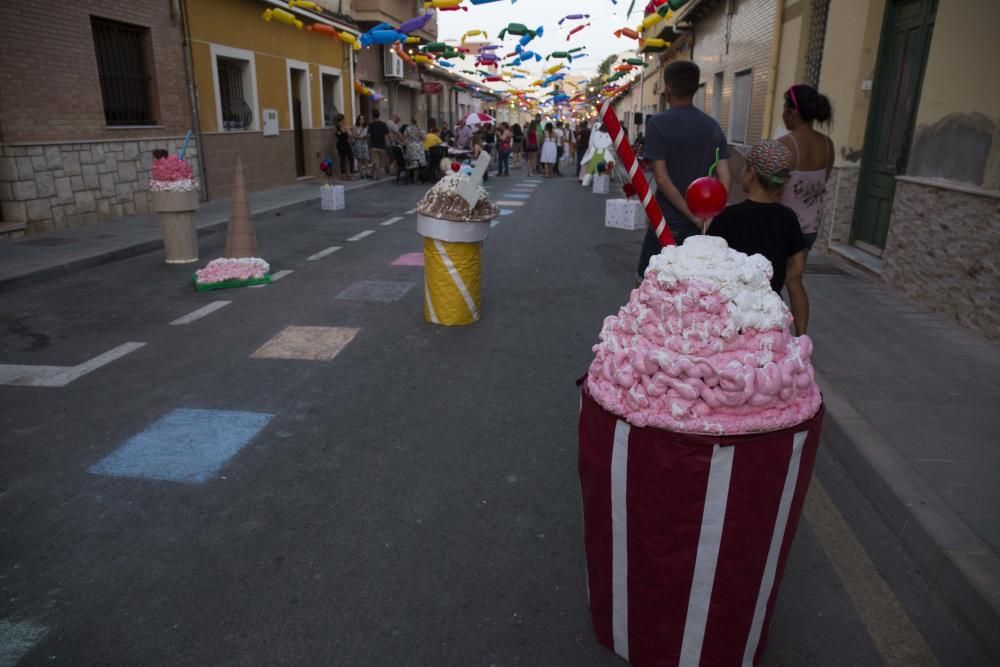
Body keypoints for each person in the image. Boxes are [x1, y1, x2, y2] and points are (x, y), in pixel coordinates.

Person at [638, 60, 732, 279]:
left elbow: (661, 178)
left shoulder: (657, 124)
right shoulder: (712, 126)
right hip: (703, 226)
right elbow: (726, 177)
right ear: (696, 87)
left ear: (668, 87)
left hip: (667, 223)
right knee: (691, 288)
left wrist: (692, 216)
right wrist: (708, 215)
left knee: (646, 283)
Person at [707, 140, 809, 335]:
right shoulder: (787, 217)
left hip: (734, 316)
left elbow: (710, 267)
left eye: (745, 166)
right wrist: (772, 285)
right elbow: (798, 266)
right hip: (771, 312)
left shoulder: (728, 217)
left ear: (751, 172)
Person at [778, 84, 834, 253]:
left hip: (784, 226)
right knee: (796, 274)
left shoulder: (785, 144)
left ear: (792, 112)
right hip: (811, 227)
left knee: (776, 275)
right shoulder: (827, 144)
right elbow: (824, 179)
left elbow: (773, 187)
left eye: (784, 108)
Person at [403, 118, 426, 182]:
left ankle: (410, 177)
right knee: (418, 163)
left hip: (410, 146)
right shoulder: (420, 128)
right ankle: (415, 178)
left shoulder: (408, 128)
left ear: (411, 122)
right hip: (418, 147)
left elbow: (404, 136)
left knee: (411, 162)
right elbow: (424, 138)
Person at [368, 109, 390, 178]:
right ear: (379, 115)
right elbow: (386, 136)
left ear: (372, 116)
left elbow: (369, 136)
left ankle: (378, 176)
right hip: (382, 146)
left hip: (374, 146)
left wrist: (369, 145)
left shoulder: (371, 125)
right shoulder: (383, 124)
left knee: (376, 162)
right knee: (378, 162)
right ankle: (372, 174)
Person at [351, 114, 371, 179]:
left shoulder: (366, 127)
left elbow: (368, 135)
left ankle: (367, 172)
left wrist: (367, 136)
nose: (362, 120)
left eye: (363, 119)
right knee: (359, 159)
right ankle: (362, 174)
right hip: (358, 144)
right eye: (361, 119)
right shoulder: (355, 127)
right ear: (358, 120)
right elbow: (353, 136)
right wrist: (360, 137)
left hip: (364, 143)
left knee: (366, 158)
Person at [335, 114, 355, 180]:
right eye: (343, 119)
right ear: (342, 120)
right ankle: (350, 175)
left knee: (342, 160)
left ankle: (343, 175)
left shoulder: (336, 128)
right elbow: (350, 135)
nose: (344, 120)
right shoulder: (344, 127)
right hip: (346, 145)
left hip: (339, 145)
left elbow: (337, 137)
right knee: (351, 159)